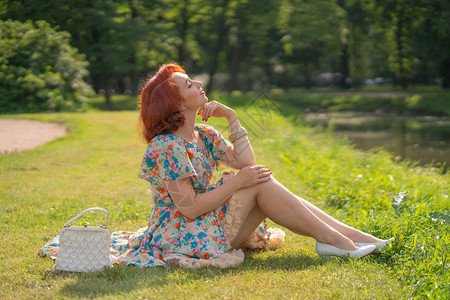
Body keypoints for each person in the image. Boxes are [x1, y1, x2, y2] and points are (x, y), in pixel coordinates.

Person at [38, 63, 393, 269]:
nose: (200, 84)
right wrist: (237, 184)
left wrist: (233, 117)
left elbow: (246, 161)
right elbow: (189, 209)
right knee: (254, 181)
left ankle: (355, 239)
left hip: (208, 223)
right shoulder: (166, 147)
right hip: (182, 234)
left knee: (255, 176)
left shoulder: (205, 134)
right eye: (190, 84)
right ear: (175, 103)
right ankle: (336, 241)